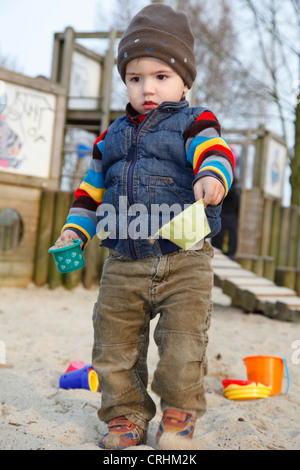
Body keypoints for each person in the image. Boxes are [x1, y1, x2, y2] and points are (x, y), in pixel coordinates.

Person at [56, 4, 235, 449]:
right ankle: (126, 416)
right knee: (114, 346)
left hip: (184, 261)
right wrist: (73, 231)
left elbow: (216, 152)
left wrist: (212, 177)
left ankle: (177, 415)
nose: (147, 88)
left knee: (182, 345)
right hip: (123, 263)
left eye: (161, 76)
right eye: (135, 78)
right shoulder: (110, 137)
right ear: (125, 83)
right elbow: (88, 194)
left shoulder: (194, 122)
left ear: (185, 81)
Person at [212, 178, 240, 258]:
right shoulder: (236, 193)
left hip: (221, 216)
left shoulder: (222, 191)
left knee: (219, 240)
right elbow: (237, 208)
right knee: (228, 242)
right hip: (231, 219)